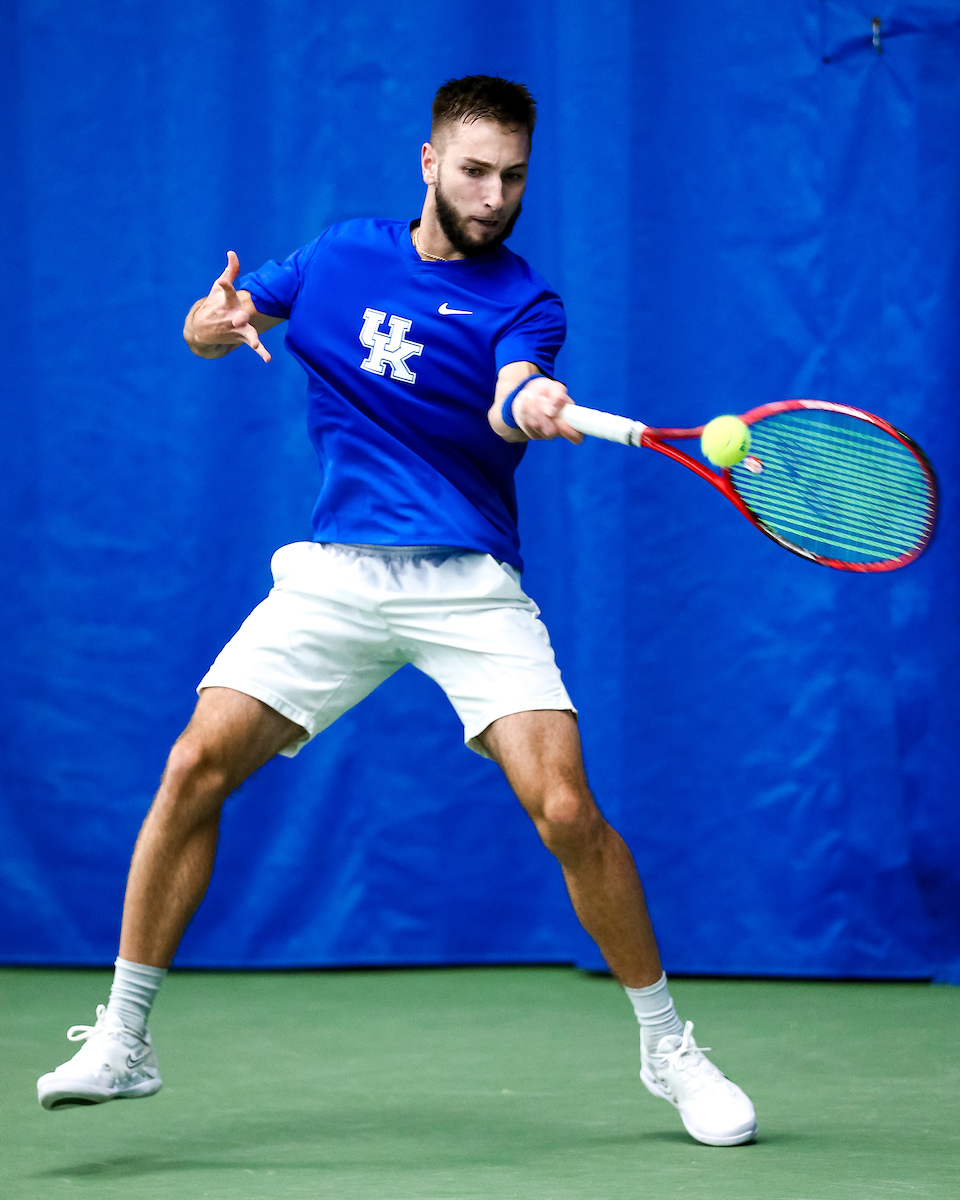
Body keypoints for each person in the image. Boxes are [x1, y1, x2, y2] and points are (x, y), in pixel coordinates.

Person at [37, 75, 755, 1147]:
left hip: (466, 583)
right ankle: (125, 1037)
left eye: (513, 176)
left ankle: (669, 1048)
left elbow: (516, 386)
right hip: (336, 574)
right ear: (429, 162)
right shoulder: (337, 253)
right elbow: (222, 321)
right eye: (474, 170)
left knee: (564, 808)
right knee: (194, 763)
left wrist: (532, 400)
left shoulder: (527, 300)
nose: (494, 193)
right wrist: (212, 318)